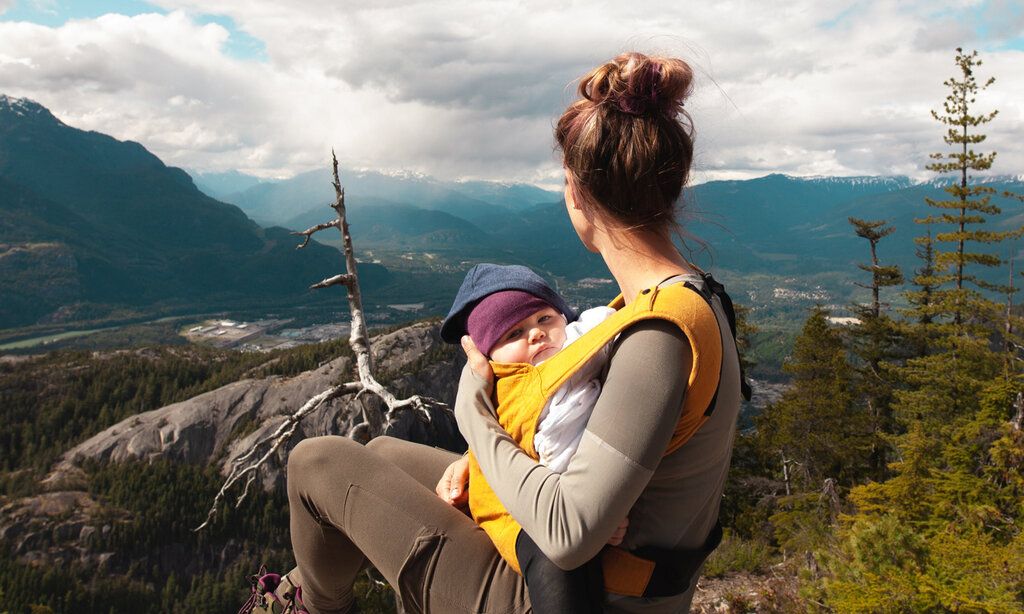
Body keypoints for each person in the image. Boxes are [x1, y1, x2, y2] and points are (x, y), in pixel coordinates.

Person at [251, 51, 744, 614]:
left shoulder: (659, 336)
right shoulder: (678, 300)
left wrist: (477, 420)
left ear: (578, 194)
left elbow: (568, 531)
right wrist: (486, 455)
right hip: (581, 570)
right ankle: (296, 594)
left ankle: (303, 607)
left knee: (316, 462)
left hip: (573, 595)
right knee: (383, 451)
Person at [439, 263, 622, 613]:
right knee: (554, 561)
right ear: (490, 357)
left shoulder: (586, 343)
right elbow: (513, 435)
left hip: (580, 498)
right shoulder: (506, 389)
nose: (536, 334)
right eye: (513, 334)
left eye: (544, 320)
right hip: (517, 513)